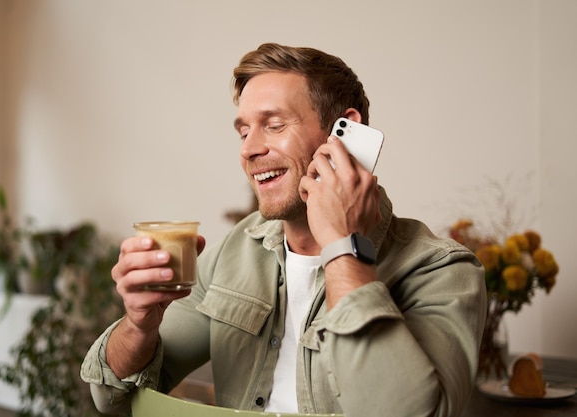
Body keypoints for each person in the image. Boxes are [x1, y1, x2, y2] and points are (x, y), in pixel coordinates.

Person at [81, 43, 487, 417]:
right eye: (243, 131)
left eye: (273, 125)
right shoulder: (237, 250)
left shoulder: (442, 272)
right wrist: (138, 324)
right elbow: (110, 395)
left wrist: (345, 247)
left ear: (344, 133)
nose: (248, 149)